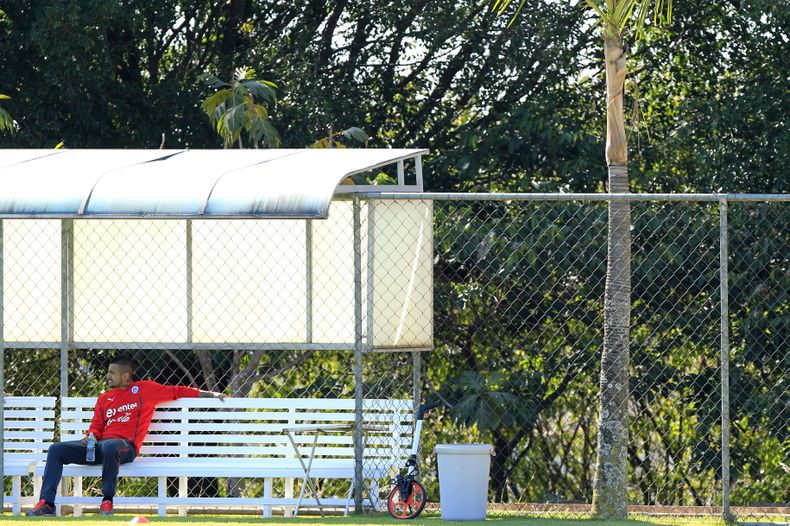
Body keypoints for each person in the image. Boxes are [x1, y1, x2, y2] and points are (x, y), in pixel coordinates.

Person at [26, 355, 227, 517]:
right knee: (56, 450)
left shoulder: (145, 390)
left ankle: (107, 501)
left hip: (124, 448)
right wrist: (91, 437)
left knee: (111, 445)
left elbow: (177, 391)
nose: (108, 376)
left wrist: (210, 394)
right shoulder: (105, 398)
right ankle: (47, 503)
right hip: (100, 447)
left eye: (112, 373)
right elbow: (96, 426)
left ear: (126, 376)